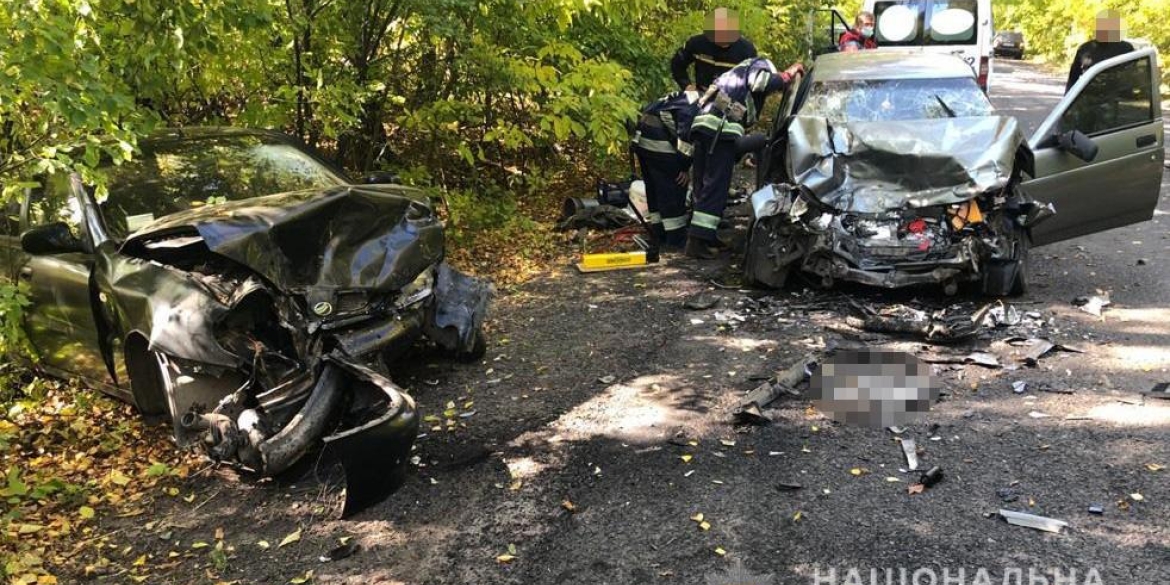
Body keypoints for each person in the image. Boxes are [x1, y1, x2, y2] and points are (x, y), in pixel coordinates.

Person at [685, 58, 804, 259]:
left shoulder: (736, 71)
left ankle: (706, 236)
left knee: (704, 184)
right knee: (716, 186)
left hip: (705, 126)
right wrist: (787, 75)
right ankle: (697, 243)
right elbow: (761, 83)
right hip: (720, 130)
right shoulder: (761, 65)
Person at [631, 91, 701, 249]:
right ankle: (675, 240)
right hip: (658, 144)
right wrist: (684, 167)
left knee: (654, 190)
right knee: (672, 189)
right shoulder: (694, 106)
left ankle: (659, 234)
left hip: (642, 144)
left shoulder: (678, 97)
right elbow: (685, 137)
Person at [671, 8, 758, 92]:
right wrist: (687, 86)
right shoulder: (698, 43)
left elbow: (755, 80)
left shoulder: (746, 51)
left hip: (733, 100)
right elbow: (677, 64)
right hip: (702, 96)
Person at [1066, 10, 1133, 91]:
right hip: (1089, 97)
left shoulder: (1125, 49)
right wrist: (1068, 99)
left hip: (1117, 97)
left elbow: (1132, 77)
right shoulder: (1085, 49)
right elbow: (1073, 78)